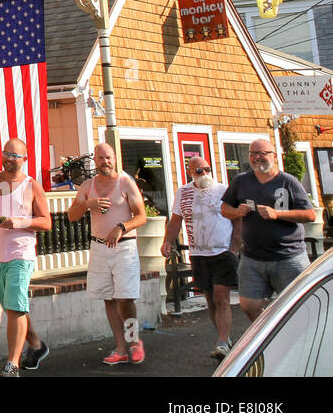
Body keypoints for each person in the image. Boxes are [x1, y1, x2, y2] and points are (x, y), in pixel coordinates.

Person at [68, 142, 149, 365]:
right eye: (101, 158)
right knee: (108, 298)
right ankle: (121, 348)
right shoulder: (88, 185)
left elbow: (141, 216)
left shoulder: (125, 182)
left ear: (115, 158)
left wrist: (121, 227)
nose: (106, 162)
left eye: (109, 157)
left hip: (124, 247)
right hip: (99, 246)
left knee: (125, 298)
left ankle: (134, 342)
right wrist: (88, 203)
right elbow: (72, 215)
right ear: (95, 161)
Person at [0, 137, 53, 377]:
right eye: (6, 154)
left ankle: (12, 365)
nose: (9, 159)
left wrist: (18, 222)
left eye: (15, 156)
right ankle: (37, 346)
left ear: (24, 159)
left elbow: (46, 222)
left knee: (15, 305)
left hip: (20, 252)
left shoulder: (32, 186)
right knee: (12, 306)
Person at [219, 138, 317, 322]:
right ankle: (272, 337)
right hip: (252, 257)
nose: (257, 158)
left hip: (288, 256)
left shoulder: (288, 182)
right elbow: (224, 209)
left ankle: (295, 342)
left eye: (262, 153)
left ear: (273, 155)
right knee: (249, 305)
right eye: (253, 154)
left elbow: (310, 215)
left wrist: (278, 214)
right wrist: (236, 211)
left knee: (298, 306)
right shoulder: (241, 181)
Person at [162, 156, 240, 358]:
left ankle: (222, 342)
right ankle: (225, 338)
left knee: (221, 297)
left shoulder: (224, 190)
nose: (204, 173)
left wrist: (234, 248)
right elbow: (175, 221)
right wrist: (167, 242)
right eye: (199, 171)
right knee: (211, 300)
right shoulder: (183, 192)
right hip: (198, 253)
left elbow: (238, 220)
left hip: (223, 252)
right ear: (190, 173)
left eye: (207, 169)